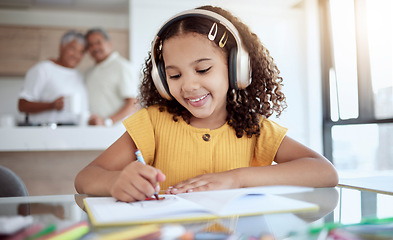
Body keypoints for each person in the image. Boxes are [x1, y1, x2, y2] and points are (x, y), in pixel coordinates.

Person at [75, 6, 338, 202]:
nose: (188, 86)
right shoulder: (152, 123)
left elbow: (324, 172)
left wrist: (236, 178)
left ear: (238, 69)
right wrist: (114, 182)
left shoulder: (254, 129)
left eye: (202, 70)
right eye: (174, 75)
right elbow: (85, 177)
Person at [18, 30, 88, 126]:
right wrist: (51, 105)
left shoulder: (79, 76)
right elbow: (22, 105)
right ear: (61, 47)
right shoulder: (43, 69)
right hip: (46, 132)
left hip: (74, 132)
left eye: (81, 52)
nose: (76, 55)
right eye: (72, 48)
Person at [84, 28, 140, 126]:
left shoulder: (122, 66)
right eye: (90, 45)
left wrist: (107, 122)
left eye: (98, 42)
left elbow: (133, 103)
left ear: (109, 43)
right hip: (93, 130)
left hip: (116, 132)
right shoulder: (88, 72)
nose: (95, 48)